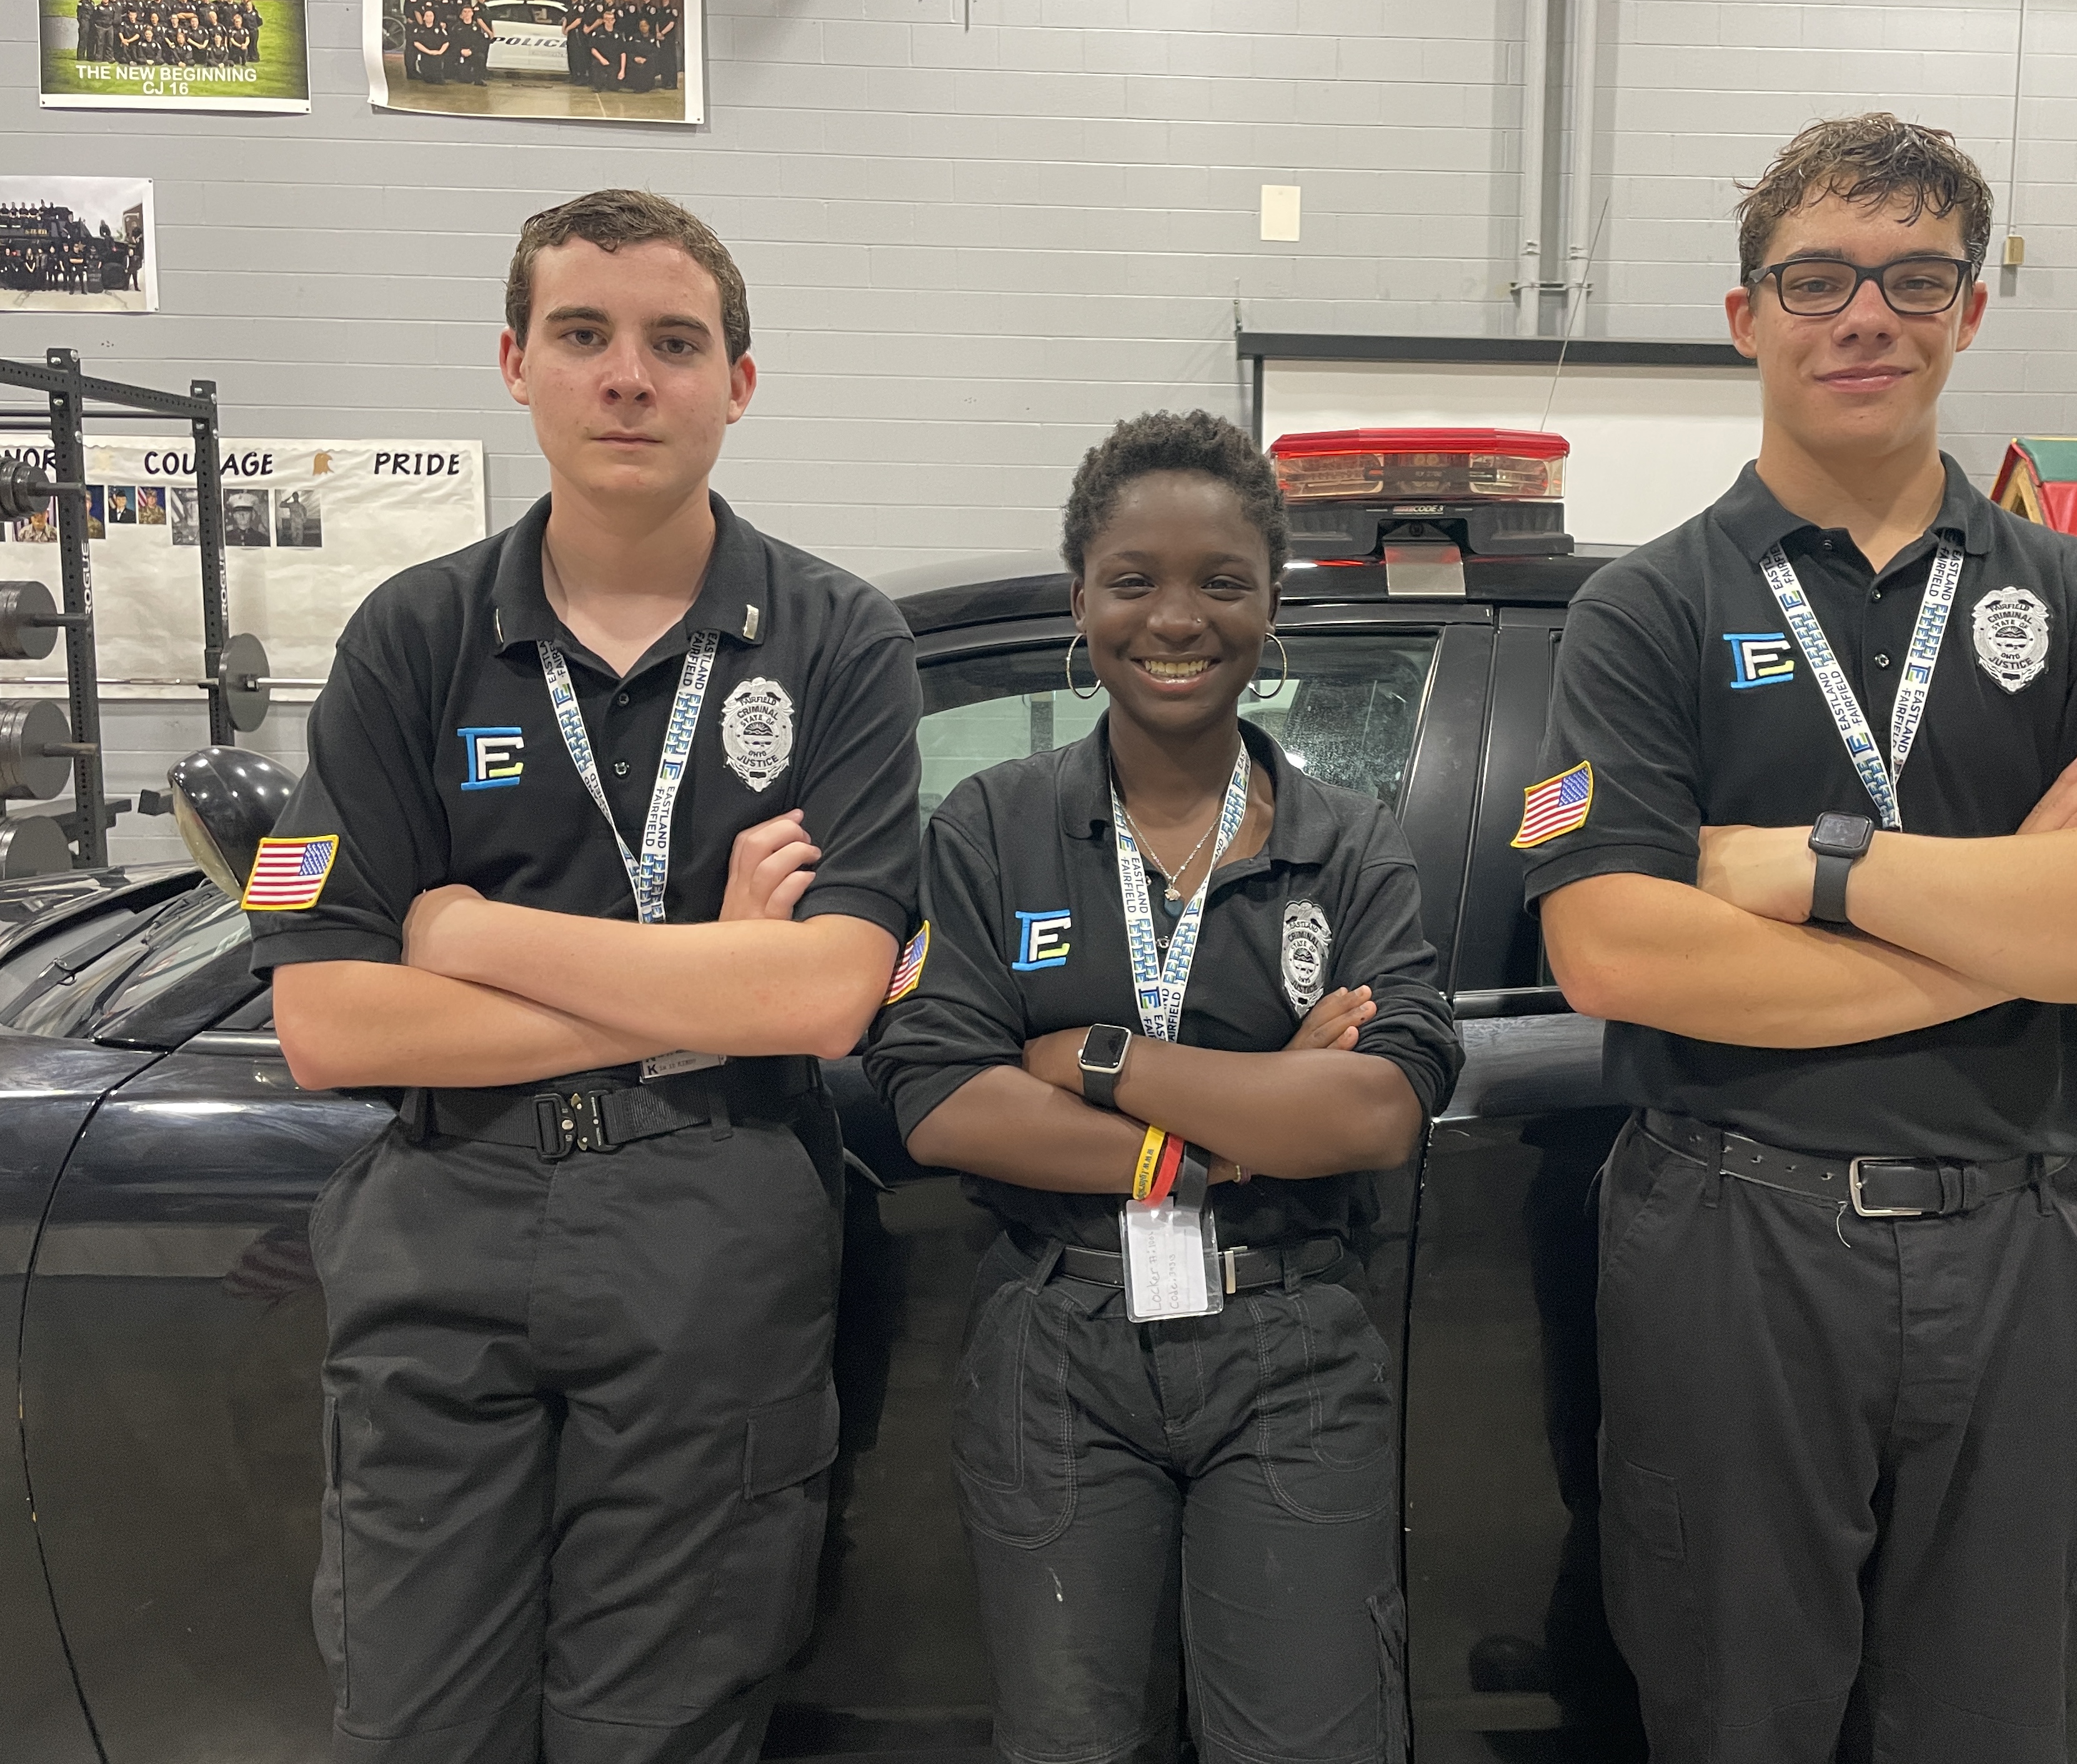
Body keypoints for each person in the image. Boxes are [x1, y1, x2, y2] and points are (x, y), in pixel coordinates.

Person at [1519, 111, 2077, 1764]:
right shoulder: (1644, 612)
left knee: (1990, 1728)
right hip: (1734, 1229)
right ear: (1748, 316)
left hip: (2021, 1241)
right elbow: (1619, 955)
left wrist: (1821, 866)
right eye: (1819, 280)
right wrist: (2028, 917)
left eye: (1914, 278)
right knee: (1734, 1717)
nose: (1867, 316)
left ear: (1969, 311)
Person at [249, 187, 923, 1764]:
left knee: (664, 1726)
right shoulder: (406, 639)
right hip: (447, 1213)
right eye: (585, 335)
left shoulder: (838, 642)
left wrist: (466, 933)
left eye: (675, 342)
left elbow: (825, 1000)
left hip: (716, 1216)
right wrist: (707, 967)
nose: (630, 376)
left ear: (737, 383)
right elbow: (328, 1022)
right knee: (417, 1721)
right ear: (516, 363)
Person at [867, 410, 1462, 1764]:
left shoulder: (1350, 848)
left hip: (1293, 1337)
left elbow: (1374, 1112)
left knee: (1306, 1739)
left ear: (1273, 602)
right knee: (1069, 1737)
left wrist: (1096, 1061)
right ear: (1082, 601)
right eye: (1135, 581)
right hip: (1058, 1336)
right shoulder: (993, 828)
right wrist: (1227, 1135)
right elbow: (941, 1098)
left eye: (1222, 581)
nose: (1177, 618)